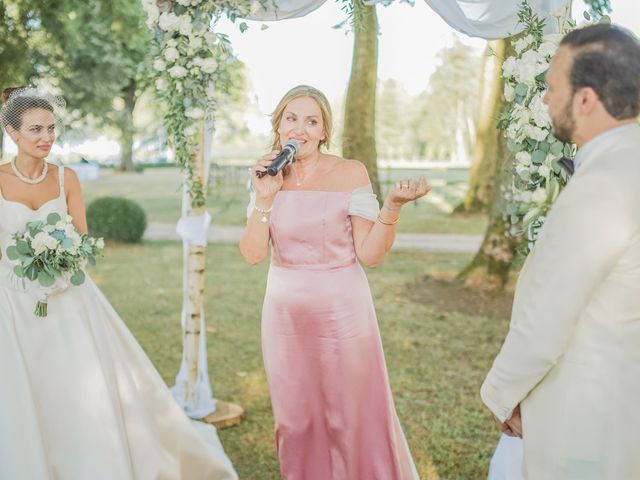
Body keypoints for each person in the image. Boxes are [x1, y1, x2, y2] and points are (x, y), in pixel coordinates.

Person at [0, 87, 237, 479]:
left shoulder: (66, 179)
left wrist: (59, 261)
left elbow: (80, 240)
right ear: (12, 132)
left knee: (78, 389)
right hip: (13, 304)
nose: (46, 137)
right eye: (35, 129)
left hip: (68, 300)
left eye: (52, 128)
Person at [239, 85, 428, 479]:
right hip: (285, 319)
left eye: (312, 121)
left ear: (324, 131)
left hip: (343, 315)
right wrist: (264, 198)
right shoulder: (265, 175)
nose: (301, 129)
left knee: (350, 417)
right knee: (294, 421)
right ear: (278, 125)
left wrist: (391, 208)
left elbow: (371, 255)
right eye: (292, 118)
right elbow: (253, 254)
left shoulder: (350, 172)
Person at [481, 23, 640, 479]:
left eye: (553, 88)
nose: (545, 100)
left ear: (585, 99)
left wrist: (500, 392)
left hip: (587, 413)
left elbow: (548, 315)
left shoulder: (602, 186)